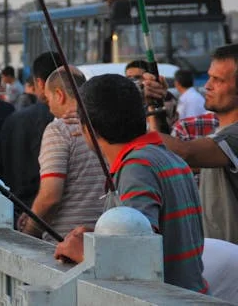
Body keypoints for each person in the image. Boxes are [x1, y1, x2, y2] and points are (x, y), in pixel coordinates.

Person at [54, 74, 207, 294]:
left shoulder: (137, 167)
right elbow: (142, 234)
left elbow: (137, 258)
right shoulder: (168, 158)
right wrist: (100, 236)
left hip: (165, 298)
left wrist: (82, 252)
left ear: (89, 128)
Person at [144, 44, 238, 245]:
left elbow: (184, 152)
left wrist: (124, 112)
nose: (208, 86)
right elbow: (169, 157)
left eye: (218, 80)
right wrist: (154, 105)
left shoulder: (234, 136)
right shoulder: (221, 134)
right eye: (210, 77)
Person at [17, 66, 104, 241]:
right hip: (105, 237)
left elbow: (50, 197)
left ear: (59, 94)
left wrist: (30, 231)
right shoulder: (106, 127)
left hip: (67, 242)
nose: (49, 108)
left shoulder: (59, 130)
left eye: (48, 100)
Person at [0, 52, 61, 209]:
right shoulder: (77, 123)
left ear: (38, 83)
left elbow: (2, 166)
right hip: (61, 216)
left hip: (19, 206)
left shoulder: (14, 120)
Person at [125, 60, 177, 129]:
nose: (133, 81)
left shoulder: (161, 96)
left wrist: (152, 104)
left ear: (148, 77)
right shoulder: (126, 99)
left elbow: (162, 128)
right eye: (129, 78)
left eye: (137, 77)